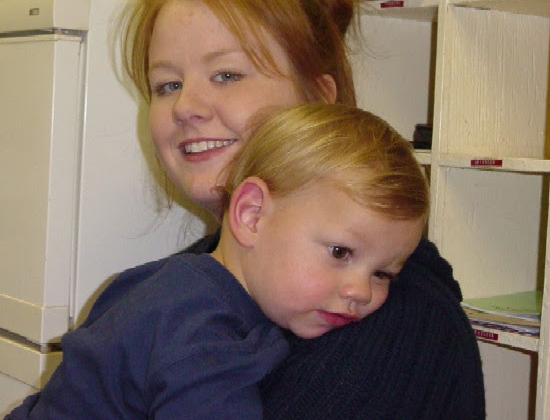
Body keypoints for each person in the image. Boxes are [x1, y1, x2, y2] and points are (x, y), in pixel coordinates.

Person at [5, 103, 429, 419]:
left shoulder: (167, 283)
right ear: (251, 215)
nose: (361, 291)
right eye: (340, 252)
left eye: (383, 273)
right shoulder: (203, 341)